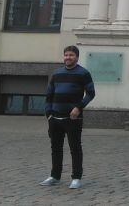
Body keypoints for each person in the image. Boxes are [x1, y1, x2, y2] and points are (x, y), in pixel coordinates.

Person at [40, 45, 95, 190]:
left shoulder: (83, 73)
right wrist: (49, 114)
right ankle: (55, 176)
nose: (68, 58)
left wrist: (79, 107)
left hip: (73, 119)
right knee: (55, 148)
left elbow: (91, 93)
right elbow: (49, 95)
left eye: (71, 55)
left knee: (75, 148)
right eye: (66, 55)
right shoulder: (57, 73)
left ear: (76, 57)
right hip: (55, 118)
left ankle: (76, 178)